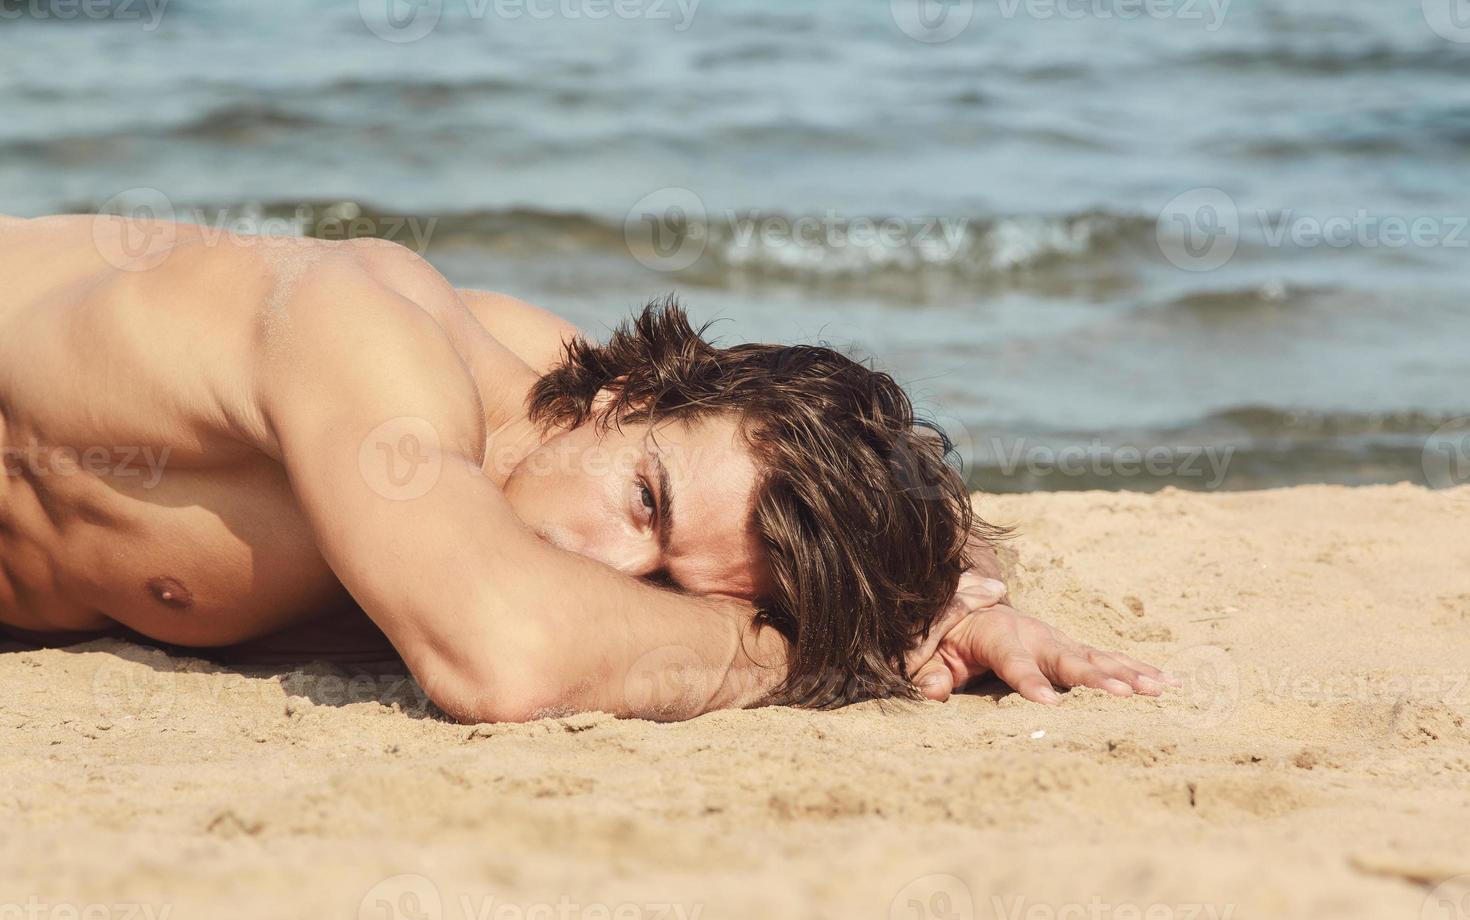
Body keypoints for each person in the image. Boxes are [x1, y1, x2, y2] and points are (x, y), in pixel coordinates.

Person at [0, 213, 1173, 721]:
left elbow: (801, 474)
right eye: (645, 503)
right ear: (629, 390)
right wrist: (818, 656)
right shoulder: (366, 335)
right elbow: (507, 662)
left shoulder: (618, 429)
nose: (599, 562)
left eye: (661, 575)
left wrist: (954, 601)